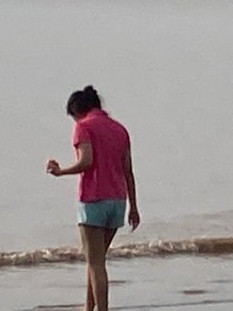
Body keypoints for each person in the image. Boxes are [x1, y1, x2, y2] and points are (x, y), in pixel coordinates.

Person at [46, 85, 139, 311]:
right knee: (95, 262)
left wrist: (60, 172)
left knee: (96, 263)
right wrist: (134, 207)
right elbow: (128, 170)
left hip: (94, 199)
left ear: (78, 112)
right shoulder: (120, 129)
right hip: (118, 200)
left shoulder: (83, 127)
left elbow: (87, 161)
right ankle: (89, 308)